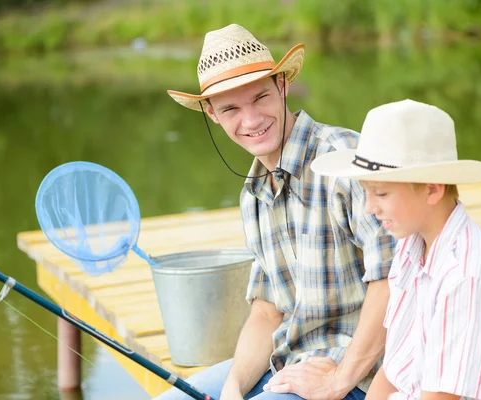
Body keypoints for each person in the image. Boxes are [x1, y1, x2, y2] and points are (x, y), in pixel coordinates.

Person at [155, 24, 395, 400]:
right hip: (293, 362)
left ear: (282, 85)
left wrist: (338, 381)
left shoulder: (345, 158)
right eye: (231, 108)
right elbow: (268, 313)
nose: (250, 121)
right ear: (211, 113)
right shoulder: (253, 195)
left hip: (366, 373)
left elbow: (394, 282)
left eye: (260, 98)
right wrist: (232, 389)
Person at [311, 99, 481, 400]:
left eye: (381, 193)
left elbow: (444, 396)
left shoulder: (466, 276)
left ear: (433, 189)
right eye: (366, 192)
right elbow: (394, 369)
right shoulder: (411, 246)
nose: (368, 208)